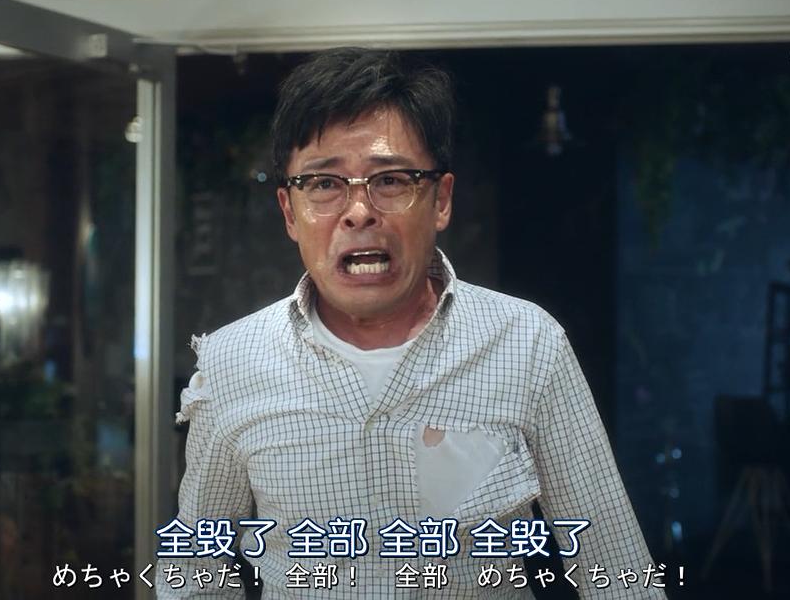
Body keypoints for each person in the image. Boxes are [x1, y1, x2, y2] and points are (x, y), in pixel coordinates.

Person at [157, 47, 663, 599]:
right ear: (289, 212)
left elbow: (614, 565)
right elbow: (194, 570)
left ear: (441, 200)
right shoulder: (233, 361)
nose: (359, 211)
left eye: (391, 180)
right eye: (324, 184)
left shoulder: (526, 343)